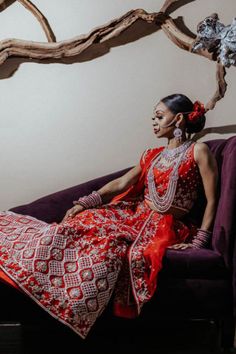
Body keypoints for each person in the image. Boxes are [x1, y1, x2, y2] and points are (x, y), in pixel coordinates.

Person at [0, 93, 218, 339]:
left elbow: (212, 200)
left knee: (108, 242)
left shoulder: (198, 151)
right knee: (78, 224)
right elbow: (122, 182)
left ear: (178, 119)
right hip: (135, 213)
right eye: (153, 117)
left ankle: (78, 300)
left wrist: (199, 241)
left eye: (159, 116)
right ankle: (35, 273)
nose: (153, 122)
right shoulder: (152, 155)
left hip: (163, 226)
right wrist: (86, 202)